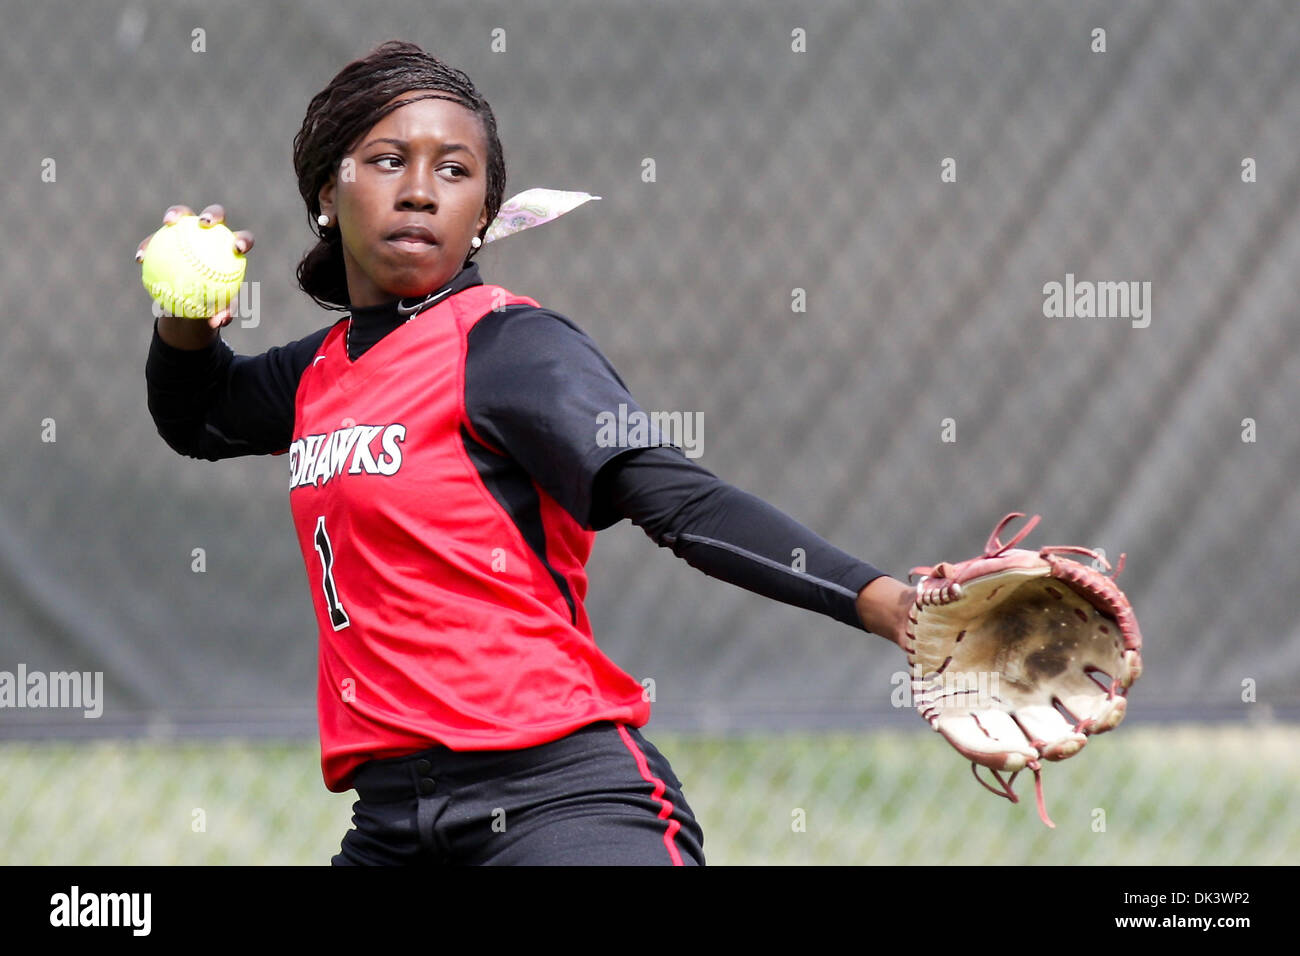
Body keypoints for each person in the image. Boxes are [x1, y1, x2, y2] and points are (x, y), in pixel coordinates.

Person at [140, 39, 914, 866]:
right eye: (389, 159)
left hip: (559, 804)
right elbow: (200, 418)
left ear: (483, 212)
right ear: (330, 191)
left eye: (454, 170)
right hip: (394, 825)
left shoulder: (509, 346)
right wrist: (182, 318)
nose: (418, 191)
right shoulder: (321, 370)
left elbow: (677, 499)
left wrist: (883, 602)